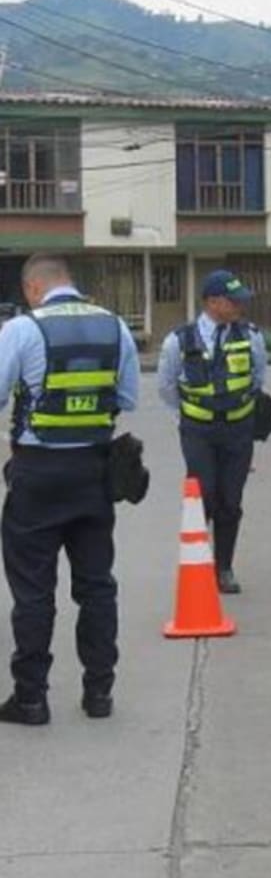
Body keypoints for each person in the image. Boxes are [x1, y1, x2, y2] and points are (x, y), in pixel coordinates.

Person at [0, 254, 139, 725]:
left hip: (38, 474)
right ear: (69, 282)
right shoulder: (115, 327)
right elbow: (127, 398)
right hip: (95, 472)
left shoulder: (23, 329)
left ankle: (31, 699)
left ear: (32, 288)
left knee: (34, 591)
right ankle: (99, 693)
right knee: (97, 587)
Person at [157, 270, 268, 596]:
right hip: (198, 431)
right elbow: (166, 386)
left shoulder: (251, 336)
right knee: (203, 495)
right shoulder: (179, 340)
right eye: (233, 301)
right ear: (212, 302)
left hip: (238, 429)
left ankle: (224, 568)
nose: (239, 307)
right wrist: (193, 412)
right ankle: (198, 563)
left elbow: (258, 377)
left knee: (230, 501)